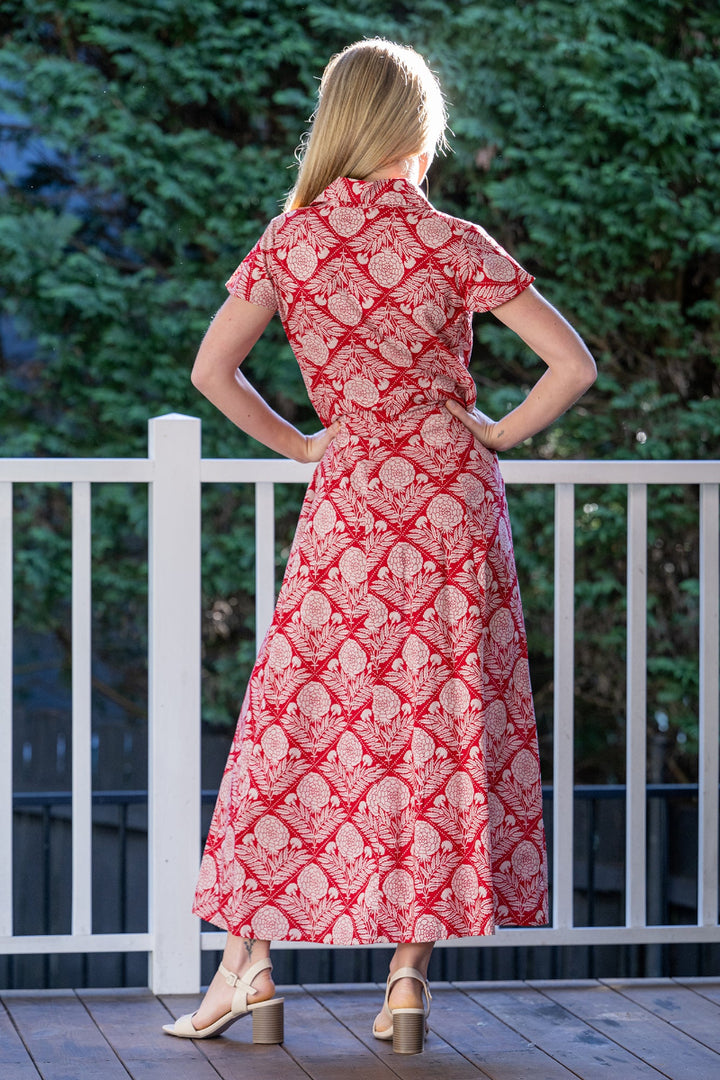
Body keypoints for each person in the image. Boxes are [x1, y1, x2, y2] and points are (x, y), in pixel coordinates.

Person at [162, 38, 596, 1055]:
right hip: (451, 506)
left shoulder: (293, 241)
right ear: (417, 128)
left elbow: (212, 373)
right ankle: (406, 985)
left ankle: (250, 963)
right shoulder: (457, 242)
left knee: (299, 721)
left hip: (352, 504)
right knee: (435, 731)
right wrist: (492, 429)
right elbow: (570, 366)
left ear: (340, 121)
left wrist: (304, 440)